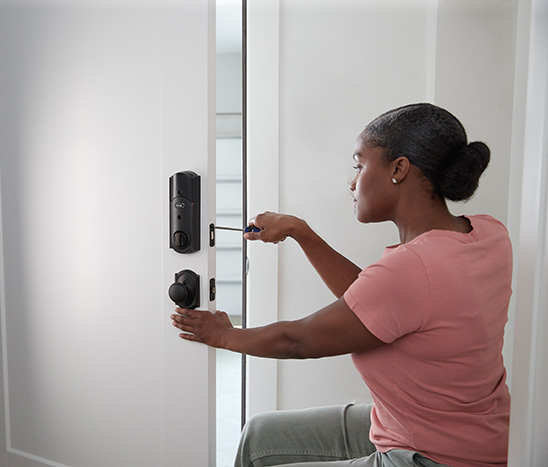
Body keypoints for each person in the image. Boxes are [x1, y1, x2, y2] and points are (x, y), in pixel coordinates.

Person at [171, 103, 512, 467]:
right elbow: (378, 304)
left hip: (435, 456)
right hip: (460, 432)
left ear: (399, 169)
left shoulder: (413, 268)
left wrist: (226, 336)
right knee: (260, 436)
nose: (352, 181)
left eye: (359, 165)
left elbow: (298, 340)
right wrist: (300, 232)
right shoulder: (488, 232)